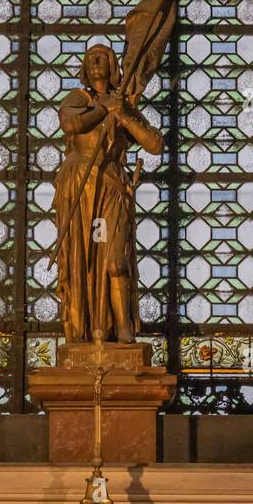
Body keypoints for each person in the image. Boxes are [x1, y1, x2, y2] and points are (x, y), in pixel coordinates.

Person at [54, 43, 163, 343]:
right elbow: (70, 122)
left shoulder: (123, 103)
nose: (97, 61)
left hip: (112, 186)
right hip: (80, 184)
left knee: (115, 258)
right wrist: (103, 108)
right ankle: (88, 329)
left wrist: (124, 115)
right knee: (85, 257)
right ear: (84, 68)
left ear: (114, 66)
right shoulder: (79, 98)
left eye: (103, 56)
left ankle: (123, 328)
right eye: (91, 58)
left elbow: (155, 144)